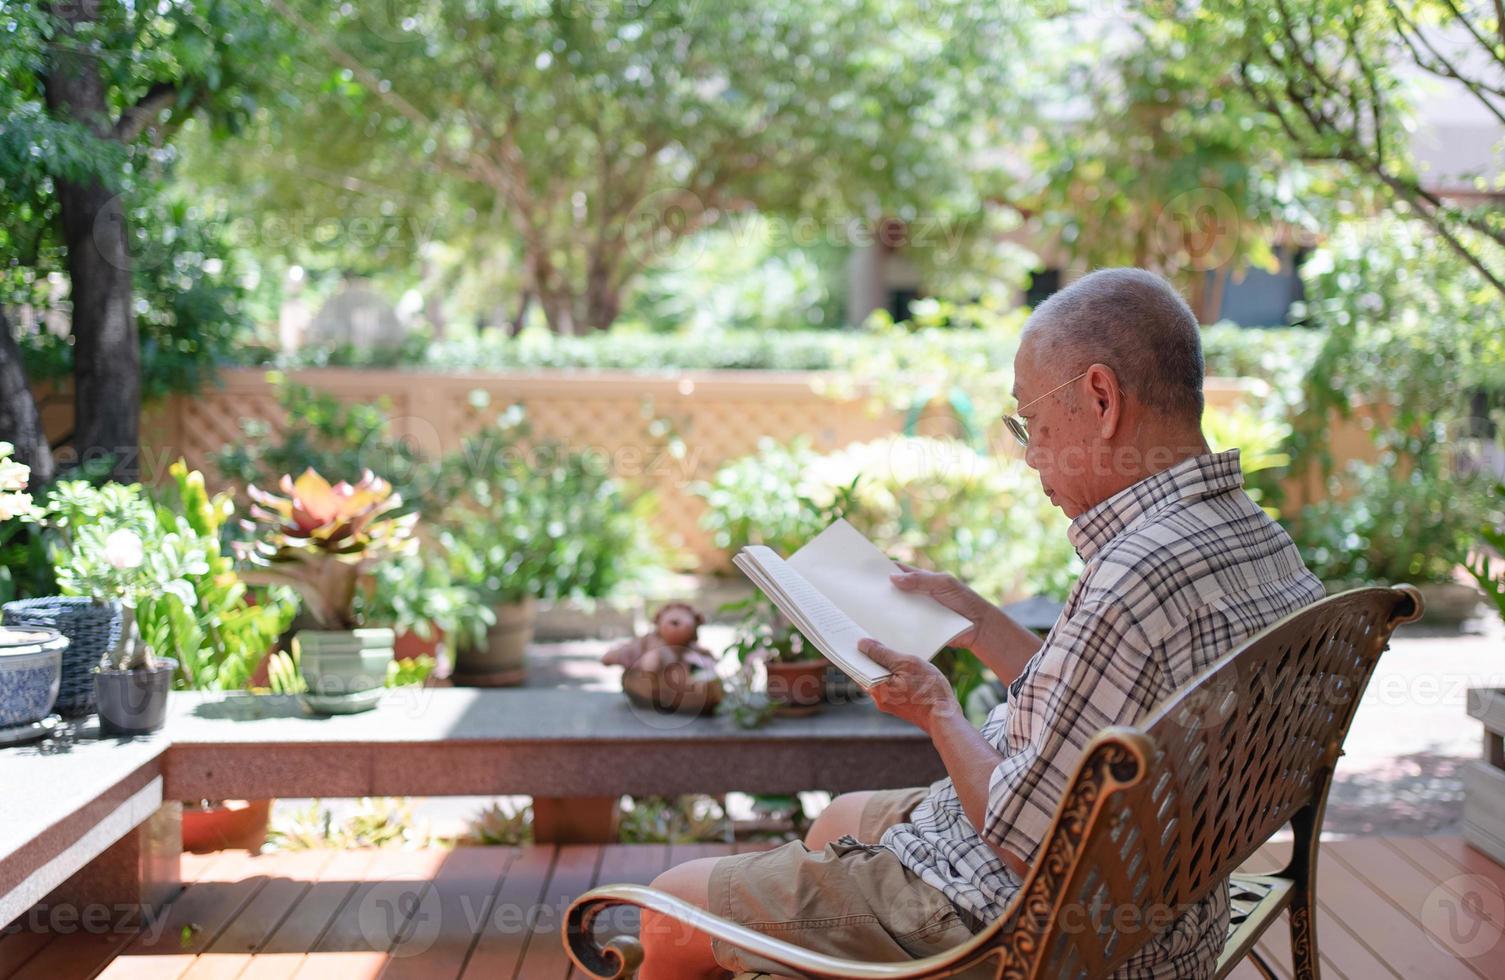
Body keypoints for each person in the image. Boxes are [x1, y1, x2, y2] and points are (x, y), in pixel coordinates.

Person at [638, 268, 1325, 979]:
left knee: (668, 909)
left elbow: (1027, 842)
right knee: (838, 818)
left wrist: (936, 709)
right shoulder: (1251, 539)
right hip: (1167, 902)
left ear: (1099, 399)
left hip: (1028, 932)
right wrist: (981, 624)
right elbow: (1103, 705)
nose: (1030, 455)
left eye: (1032, 423)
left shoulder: (1134, 575)